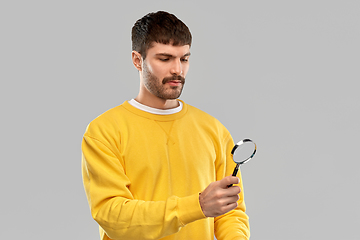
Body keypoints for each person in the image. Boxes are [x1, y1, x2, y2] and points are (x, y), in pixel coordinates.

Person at [81, 11, 250, 240]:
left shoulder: (214, 130)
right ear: (137, 60)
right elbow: (113, 216)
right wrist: (196, 206)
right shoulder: (104, 132)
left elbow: (231, 213)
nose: (177, 70)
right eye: (165, 58)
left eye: (184, 58)